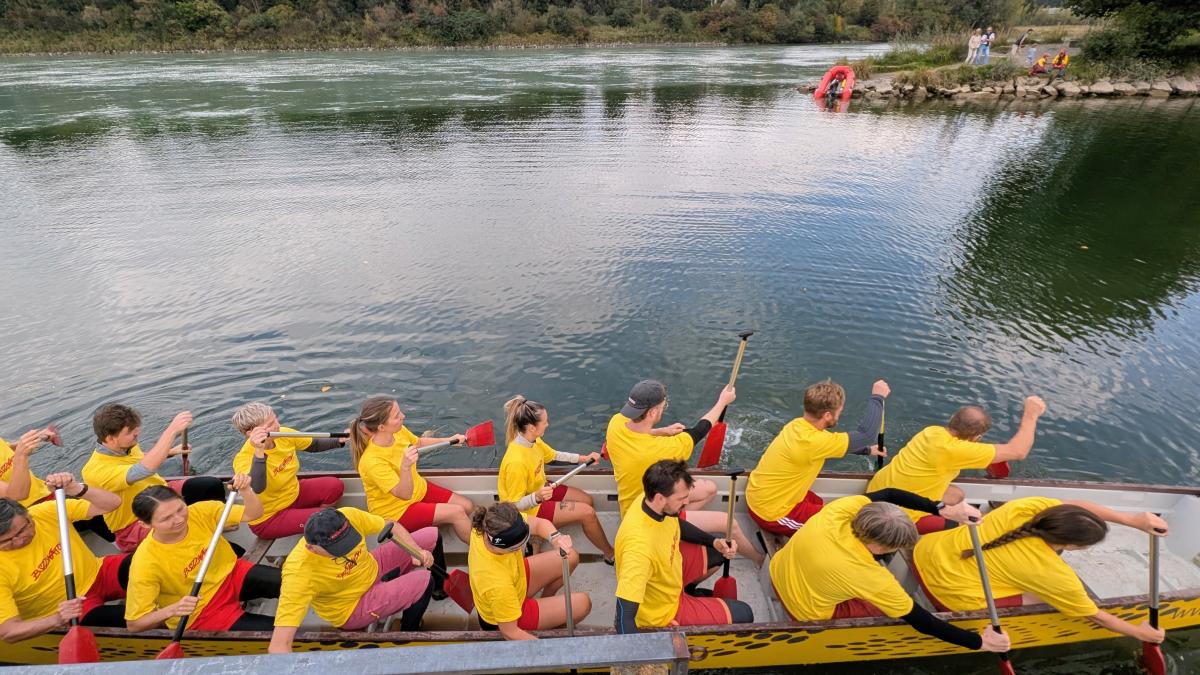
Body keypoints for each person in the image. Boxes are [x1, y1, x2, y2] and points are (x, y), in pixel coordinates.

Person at [770, 489, 1010, 654]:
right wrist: (980, 642)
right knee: (884, 609)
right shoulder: (871, 577)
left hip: (779, 569)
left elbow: (889, 494)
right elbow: (922, 621)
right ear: (878, 547)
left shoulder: (840, 510)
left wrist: (939, 509)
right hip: (805, 612)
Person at [912, 497, 1168, 646]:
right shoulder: (1054, 576)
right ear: (1071, 545)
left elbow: (1075, 506)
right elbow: (1096, 616)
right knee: (1045, 598)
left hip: (923, 552)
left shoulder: (1028, 507)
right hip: (947, 596)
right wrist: (1139, 632)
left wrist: (1132, 520)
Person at [606, 381, 763, 566]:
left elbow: (638, 433)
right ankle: (760, 560)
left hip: (632, 503)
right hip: (650, 513)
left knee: (710, 489)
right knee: (729, 523)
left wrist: (662, 431)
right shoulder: (662, 449)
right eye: (663, 406)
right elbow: (699, 430)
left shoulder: (616, 423)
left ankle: (679, 524)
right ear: (652, 412)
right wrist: (722, 401)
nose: (664, 409)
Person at [867, 396, 1046, 534]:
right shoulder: (955, 451)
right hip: (893, 518)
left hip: (877, 494)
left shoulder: (932, 432)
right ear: (976, 438)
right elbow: (1018, 451)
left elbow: (956, 451)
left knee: (956, 495)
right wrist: (1031, 414)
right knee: (974, 522)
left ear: (952, 419)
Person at [268, 507, 438, 652]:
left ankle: (441, 588)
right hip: (352, 606)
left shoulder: (347, 516)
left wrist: (416, 551)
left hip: (372, 568)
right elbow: (279, 645)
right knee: (424, 580)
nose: (348, 550)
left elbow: (391, 525)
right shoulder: (298, 572)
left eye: (349, 540)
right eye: (339, 549)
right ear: (311, 548)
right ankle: (407, 636)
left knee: (432, 535)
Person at [124, 478, 281, 633]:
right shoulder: (145, 563)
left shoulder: (200, 512)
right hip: (202, 611)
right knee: (282, 632)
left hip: (233, 573)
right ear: (145, 524)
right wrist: (172, 610)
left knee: (292, 582)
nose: (179, 519)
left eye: (180, 509)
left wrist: (246, 490)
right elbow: (135, 624)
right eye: (166, 518)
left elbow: (254, 514)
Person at [614, 460, 753, 633]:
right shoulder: (639, 551)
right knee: (744, 613)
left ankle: (688, 591)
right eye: (681, 498)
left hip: (670, 574)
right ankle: (686, 607)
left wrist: (715, 542)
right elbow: (623, 618)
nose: (687, 501)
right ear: (660, 498)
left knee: (718, 553)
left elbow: (677, 524)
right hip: (665, 612)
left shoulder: (649, 500)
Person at [746, 379, 888, 537]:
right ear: (827, 415)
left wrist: (867, 450)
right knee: (836, 525)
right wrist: (878, 397)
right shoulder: (813, 442)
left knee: (818, 502)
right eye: (839, 412)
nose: (839, 415)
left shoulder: (798, 425)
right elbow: (866, 435)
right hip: (770, 514)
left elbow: (829, 446)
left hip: (758, 496)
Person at [81, 404, 225, 552]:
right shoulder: (95, 470)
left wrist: (170, 452)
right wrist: (172, 430)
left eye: (135, 428)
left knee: (210, 485)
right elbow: (143, 470)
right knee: (186, 531)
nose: (137, 433)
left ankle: (218, 524)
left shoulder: (126, 445)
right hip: (136, 521)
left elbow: (142, 458)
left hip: (160, 492)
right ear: (110, 438)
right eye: (130, 432)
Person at [0, 473, 127, 642]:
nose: (19, 540)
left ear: (28, 516)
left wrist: (75, 488)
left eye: (22, 530)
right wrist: (58, 619)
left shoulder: (45, 512)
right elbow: (8, 632)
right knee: (133, 617)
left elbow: (113, 503)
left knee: (150, 565)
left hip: (100, 572)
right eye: (6, 541)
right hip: (71, 610)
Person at [498, 396, 611, 562]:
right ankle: (610, 554)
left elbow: (553, 455)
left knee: (587, 500)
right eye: (545, 422)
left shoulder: (533, 440)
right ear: (531, 427)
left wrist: (583, 458)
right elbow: (512, 506)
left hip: (542, 490)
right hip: (529, 510)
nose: (548, 424)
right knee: (588, 513)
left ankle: (538, 536)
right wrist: (537, 497)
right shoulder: (516, 462)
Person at [350, 396, 475, 544]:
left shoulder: (397, 431)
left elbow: (419, 442)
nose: (403, 416)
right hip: (397, 510)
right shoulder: (372, 461)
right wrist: (405, 466)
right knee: (457, 513)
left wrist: (449, 440)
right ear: (382, 427)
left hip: (418, 489)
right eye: (397, 416)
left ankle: (426, 530)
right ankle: (481, 553)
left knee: (468, 506)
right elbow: (404, 495)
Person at [467, 502, 591, 640]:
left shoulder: (489, 524)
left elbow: (538, 524)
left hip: (515, 578)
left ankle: (546, 602)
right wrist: (548, 648)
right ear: (506, 547)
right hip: (508, 617)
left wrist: (557, 539)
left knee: (571, 557)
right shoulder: (497, 584)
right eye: (518, 547)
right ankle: (553, 629)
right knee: (583, 604)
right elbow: (510, 633)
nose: (521, 549)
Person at [231, 402, 346, 540]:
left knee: (334, 487)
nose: (277, 425)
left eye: (275, 419)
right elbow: (257, 487)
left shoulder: (282, 433)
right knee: (325, 521)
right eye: (270, 424)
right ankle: (318, 527)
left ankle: (315, 528)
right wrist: (259, 450)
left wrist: (340, 440)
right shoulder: (243, 459)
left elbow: (313, 444)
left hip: (293, 493)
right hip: (269, 517)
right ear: (251, 433)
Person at [0, 429, 53, 507]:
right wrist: (21, 455)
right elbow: (17, 495)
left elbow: (7, 450)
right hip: (25, 509)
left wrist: (35, 439)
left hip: (44, 491)